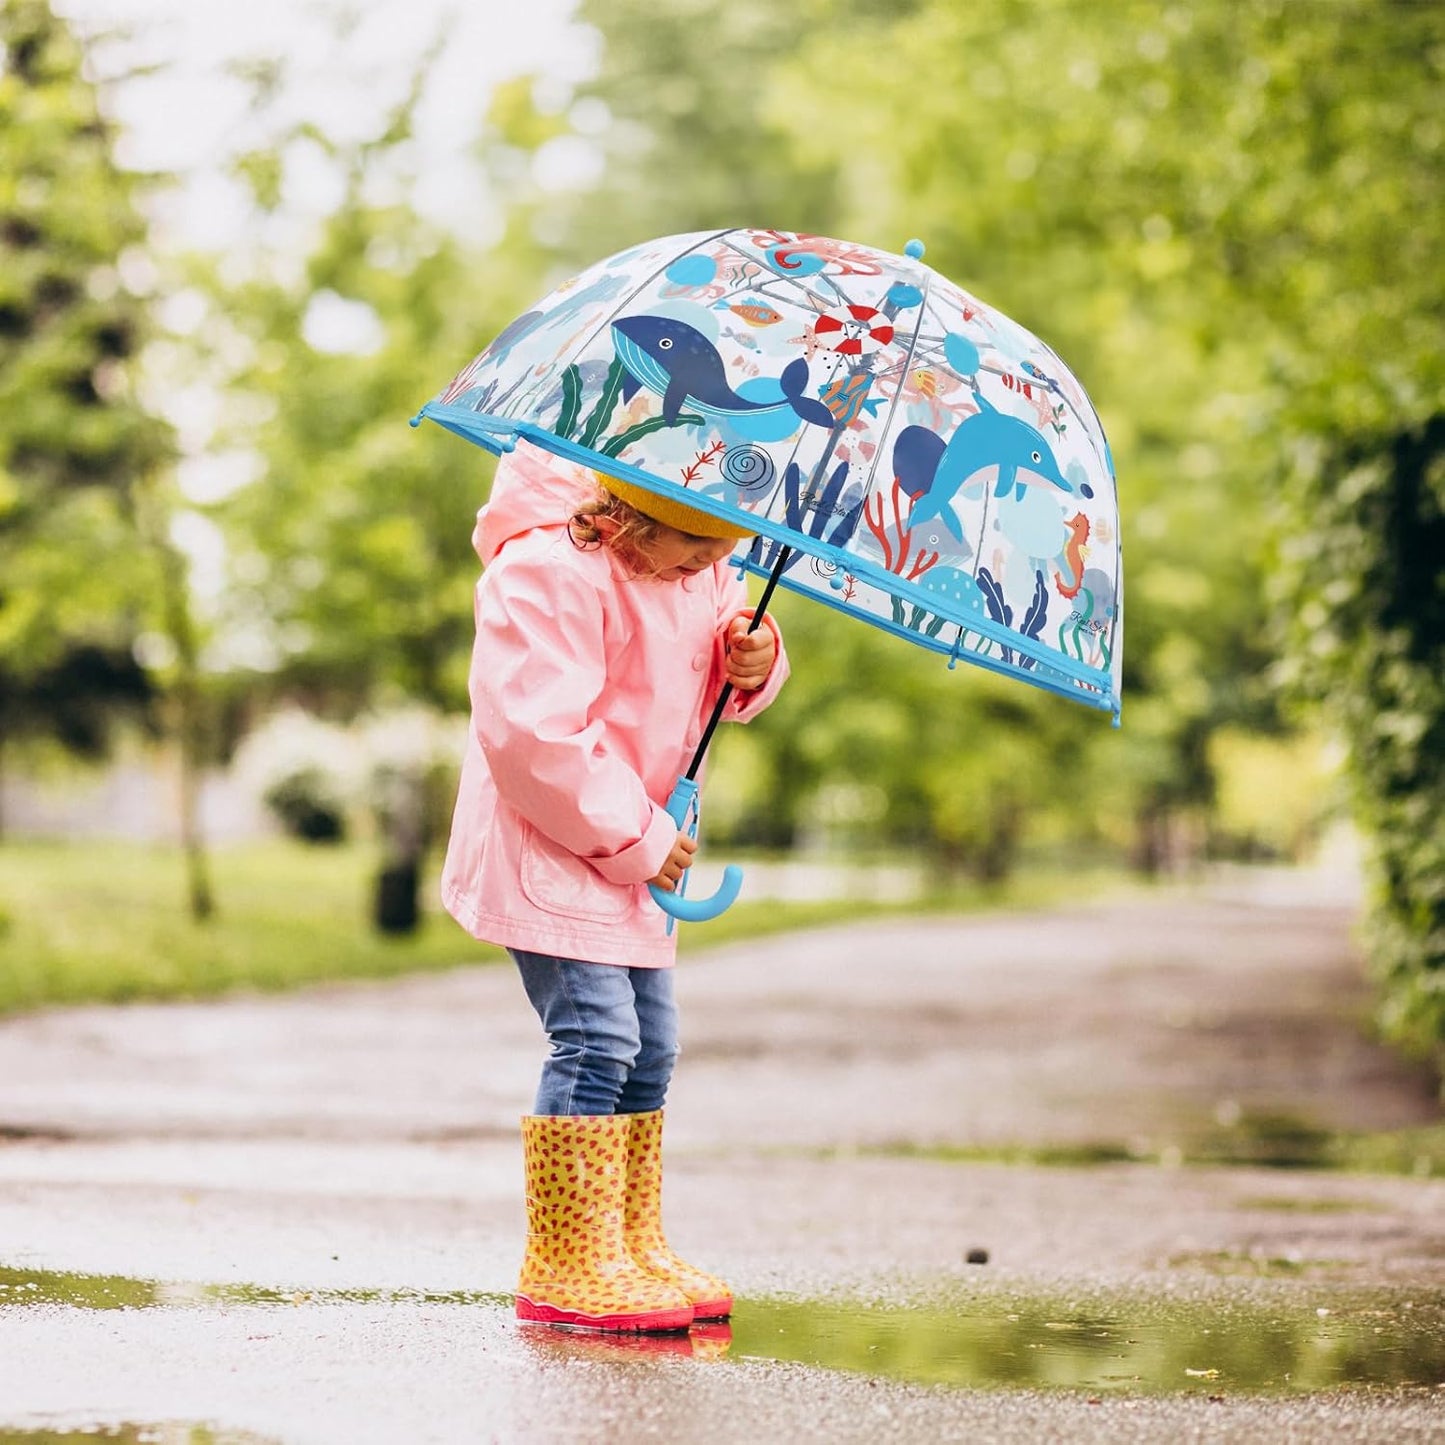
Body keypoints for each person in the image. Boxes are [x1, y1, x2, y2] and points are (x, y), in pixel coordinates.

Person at [441, 440, 789, 1333]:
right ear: (631, 514)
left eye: (726, 550)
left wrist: (751, 661)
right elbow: (534, 735)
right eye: (695, 545)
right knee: (598, 1039)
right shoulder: (546, 571)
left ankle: (626, 1242)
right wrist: (637, 835)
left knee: (652, 1047)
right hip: (558, 844)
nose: (713, 565)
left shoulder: (700, 573)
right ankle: (566, 1259)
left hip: (638, 850)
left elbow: (714, 669)